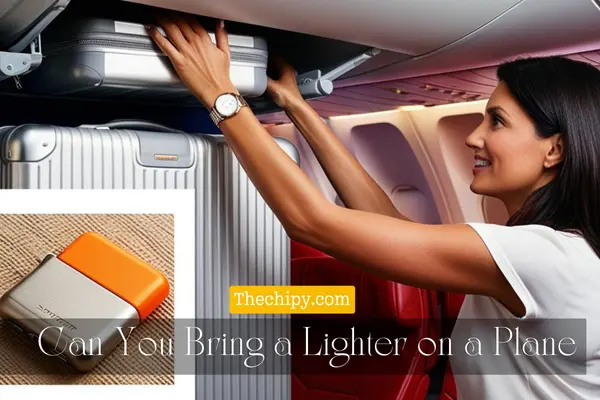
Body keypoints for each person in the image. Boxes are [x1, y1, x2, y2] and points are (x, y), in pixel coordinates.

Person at [145, 14, 600, 399]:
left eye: (496, 122)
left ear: (554, 150)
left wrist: (220, 97)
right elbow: (388, 223)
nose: (473, 137)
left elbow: (312, 223)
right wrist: (298, 107)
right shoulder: (555, 252)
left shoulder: (545, 257)